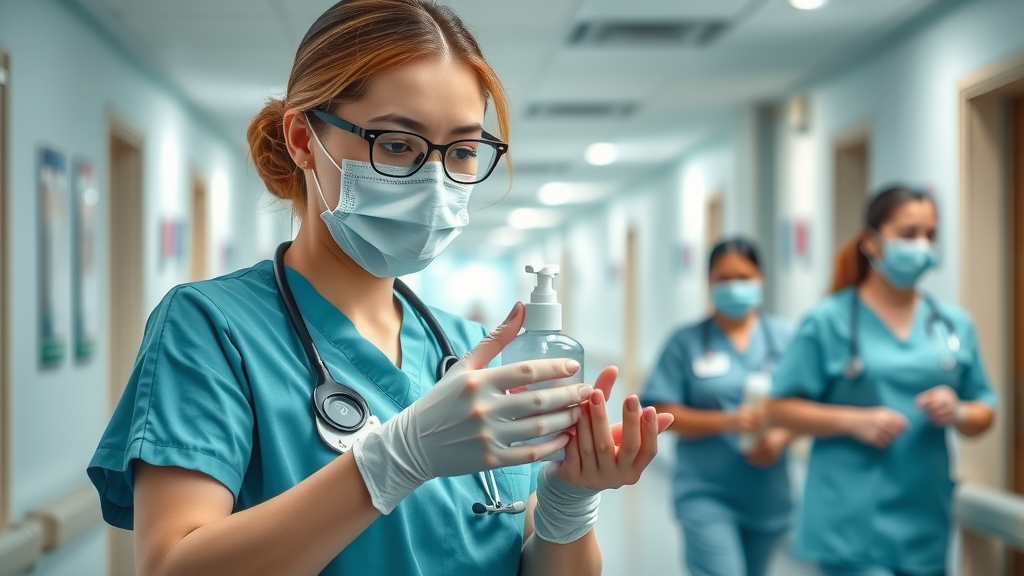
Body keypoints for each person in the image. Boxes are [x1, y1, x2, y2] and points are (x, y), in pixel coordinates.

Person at [85, 2, 673, 575]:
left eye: (463, 151)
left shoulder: (471, 353)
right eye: (396, 144)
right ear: (303, 139)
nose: (435, 179)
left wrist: (567, 507)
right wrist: (395, 458)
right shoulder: (210, 328)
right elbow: (171, 565)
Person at [767, 185, 997, 576]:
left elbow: (985, 410)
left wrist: (958, 411)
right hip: (850, 520)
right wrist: (853, 421)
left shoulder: (954, 325)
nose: (922, 245)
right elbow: (777, 409)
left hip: (924, 517)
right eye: (908, 234)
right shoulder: (829, 320)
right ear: (871, 242)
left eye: (930, 235)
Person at [641, 238, 795, 576]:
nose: (734, 286)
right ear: (709, 282)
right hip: (705, 492)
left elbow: (808, 402)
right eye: (723, 278)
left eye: (744, 277)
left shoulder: (786, 338)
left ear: (761, 278)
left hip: (767, 494)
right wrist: (728, 422)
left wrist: (783, 436)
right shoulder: (685, 342)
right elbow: (661, 411)